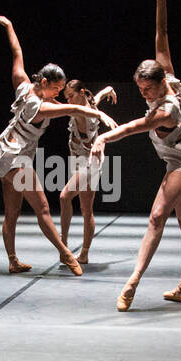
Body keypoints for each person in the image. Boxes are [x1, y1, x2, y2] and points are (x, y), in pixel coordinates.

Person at [91, 0, 181, 310]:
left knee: (157, 216)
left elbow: (132, 127)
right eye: (140, 89)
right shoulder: (165, 73)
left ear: (159, 84)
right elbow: (162, 35)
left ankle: (132, 282)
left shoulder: (165, 110)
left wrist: (103, 136)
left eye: (146, 90)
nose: (144, 95)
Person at [0, 14, 116, 275]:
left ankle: (13, 260)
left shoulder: (24, 86)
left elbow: (17, 53)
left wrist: (10, 26)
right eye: (57, 88)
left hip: (3, 156)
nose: (59, 93)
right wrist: (100, 114)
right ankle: (67, 254)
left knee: (12, 212)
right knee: (43, 208)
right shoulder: (40, 107)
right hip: (16, 159)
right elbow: (71, 107)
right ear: (45, 83)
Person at [59, 80, 117, 264]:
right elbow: (100, 94)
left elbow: (93, 101)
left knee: (64, 197)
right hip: (78, 158)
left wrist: (102, 111)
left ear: (82, 92)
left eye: (71, 96)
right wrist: (109, 91)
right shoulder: (87, 106)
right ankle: (83, 254)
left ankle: (63, 244)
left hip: (91, 161)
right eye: (66, 97)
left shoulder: (84, 108)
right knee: (86, 209)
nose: (68, 101)